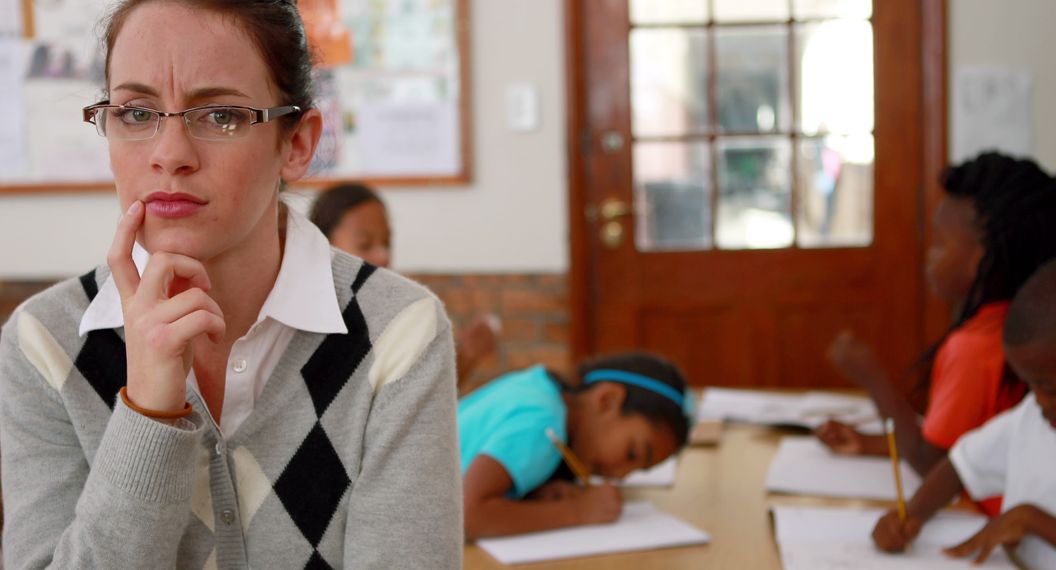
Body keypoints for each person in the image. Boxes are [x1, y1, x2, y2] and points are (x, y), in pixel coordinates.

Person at [0, 2, 461, 568]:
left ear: (296, 144)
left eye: (220, 115)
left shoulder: (396, 334)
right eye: (137, 113)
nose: (170, 156)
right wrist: (147, 410)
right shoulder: (42, 344)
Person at [816, 153, 1056, 514]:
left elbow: (933, 462)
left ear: (985, 259)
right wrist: (875, 444)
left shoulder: (975, 346)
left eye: (940, 243)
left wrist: (871, 376)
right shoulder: (1046, 332)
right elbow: (972, 444)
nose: (929, 256)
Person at [871, 254, 1056, 569]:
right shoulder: (1033, 419)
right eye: (1030, 386)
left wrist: (1030, 518)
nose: (1037, 400)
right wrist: (912, 515)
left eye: (1051, 389)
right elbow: (960, 465)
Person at [458, 352, 690, 539]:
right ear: (607, 400)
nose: (620, 476)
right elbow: (464, 517)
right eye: (632, 453)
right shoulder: (543, 421)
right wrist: (578, 511)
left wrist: (533, 495)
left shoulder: (538, 385)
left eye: (637, 471)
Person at [311, 183, 499, 388]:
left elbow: (413, 400)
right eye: (365, 244)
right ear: (324, 246)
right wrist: (466, 358)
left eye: (387, 243)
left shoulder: (389, 311)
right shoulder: (312, 322)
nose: (383, 256)